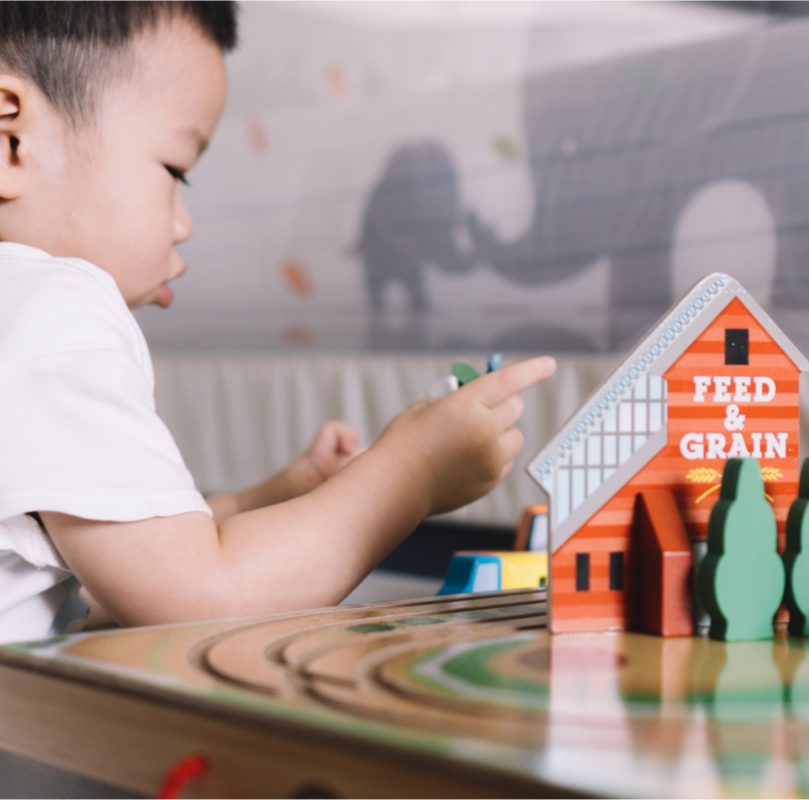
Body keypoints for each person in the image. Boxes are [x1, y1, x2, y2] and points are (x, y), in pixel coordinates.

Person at [0, 1, 556, 643]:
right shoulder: (57, 308)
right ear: (12, 140)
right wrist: (411, 475)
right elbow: (198, 597)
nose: (185, 223)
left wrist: (268, 503)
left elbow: (95, 579)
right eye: (175, 170)